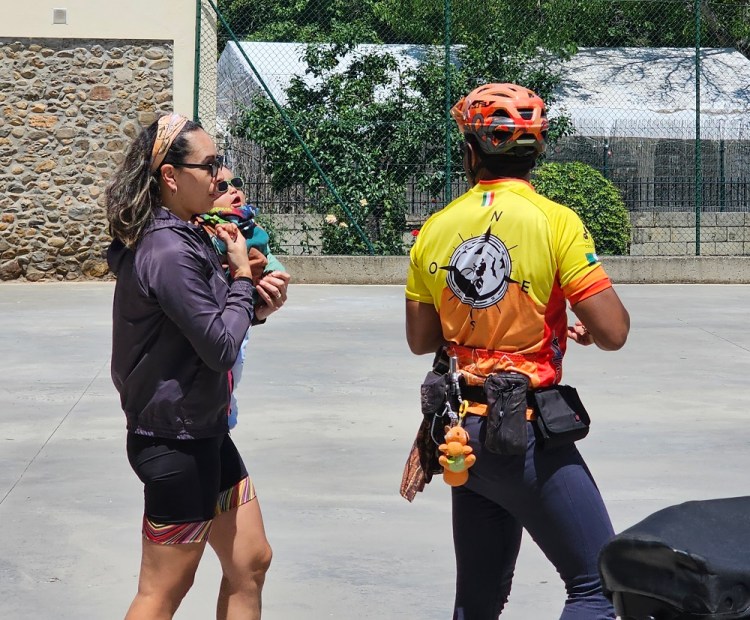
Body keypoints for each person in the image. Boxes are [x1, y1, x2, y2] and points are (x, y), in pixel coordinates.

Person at [404, 83, 630, 619]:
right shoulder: (556, 221)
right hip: (525, 433)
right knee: (599, 587)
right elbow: (614, 330)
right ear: (538, 150)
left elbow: (421, 340)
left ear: (470, 151)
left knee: (478, 601)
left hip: (464, 433)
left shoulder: (435, 229)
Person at [105, 113, 290, 620]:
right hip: (174, 441)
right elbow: (219, 348)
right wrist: (242, 279)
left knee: (250, 560)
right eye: (209, 165)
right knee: (163, 590)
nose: (218, 176)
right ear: (170, 176)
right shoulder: (167, 249)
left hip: (203, 430)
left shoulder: (185, 235)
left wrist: (254, 307)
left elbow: (204, 326)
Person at [196, 167, 287, 429]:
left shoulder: (250, 224)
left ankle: (228, 401)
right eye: (222, 187)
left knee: (236, 362)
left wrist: (276, 275)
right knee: (226, 364)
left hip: (245, 307)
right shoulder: (208, 227)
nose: (234, 190)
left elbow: (267, 256)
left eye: (235, 183)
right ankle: (226, 405)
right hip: (226, 306)